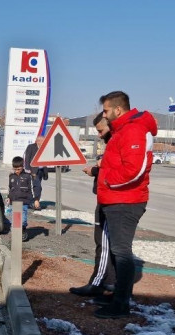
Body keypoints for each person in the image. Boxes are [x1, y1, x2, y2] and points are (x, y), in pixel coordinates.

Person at [93, 91, 157, 319]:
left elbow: (134, 169)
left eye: (107, 110)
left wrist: (108, 180)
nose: (104, 114)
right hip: (116, 199)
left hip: (125, 201)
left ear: (118, 110)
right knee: (116, 250)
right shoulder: (123, 130)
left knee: (122, 252)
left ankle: (121, 305)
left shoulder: (133, 130)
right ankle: (116, 296)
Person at [70, 113, 116, 299]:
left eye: (100, 130)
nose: (98, 135)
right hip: (107, 197)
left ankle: (98, 283)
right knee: (108, 244)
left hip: (110, 200)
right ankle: (110, 283)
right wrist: (96, 169)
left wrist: (96, 169)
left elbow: (114, 170)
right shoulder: (115, 142)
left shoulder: (116, 142)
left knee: (104, 243)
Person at [6, 156, 34, 241]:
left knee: (23, 220)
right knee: (15, 220)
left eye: (18, 169)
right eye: (15, 169)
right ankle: (16, 235)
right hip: (13, 202)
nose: (17, 171)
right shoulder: (11, 177)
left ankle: (23, 229)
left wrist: (33, 199)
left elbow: (31, 188)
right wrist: (8, 198)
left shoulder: (27, 176)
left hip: (24, 202)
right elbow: (9, 188)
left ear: (23, 167)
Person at [23, 136, 48, 210]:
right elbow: (27, 158)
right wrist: (27, 169)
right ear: (38, 141)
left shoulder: (44, 148)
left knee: (37, 186)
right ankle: (35, 202)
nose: (44, 143)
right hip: (33, 171)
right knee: (37, 187)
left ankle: (34, 202)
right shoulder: (31, 147)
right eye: (43, 141)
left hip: (41, 170)